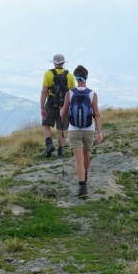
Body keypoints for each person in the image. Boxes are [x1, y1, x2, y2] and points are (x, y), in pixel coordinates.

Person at [59, 65, 102, 198]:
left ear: (75, 77)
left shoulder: (69, 93)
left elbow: (63, 114)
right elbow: (96, 114)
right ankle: (85, 174)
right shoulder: (92, 93)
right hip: (89, 129)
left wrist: (61, 108)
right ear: (86, 77)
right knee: (86, 154)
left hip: (74, 129)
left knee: (78, 159)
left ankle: (82, 187)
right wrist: (100, 132)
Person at [40, 54, 76, 158]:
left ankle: (49, 143)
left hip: (51, 104)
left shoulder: (48, 74)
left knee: (45, 124)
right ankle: (61, 152)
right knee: (61, 129)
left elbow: (44, 92)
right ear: (63, 63)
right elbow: (73, 92)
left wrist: (42, 107)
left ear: (54, 63)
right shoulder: (69, 75)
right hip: (64, 106)